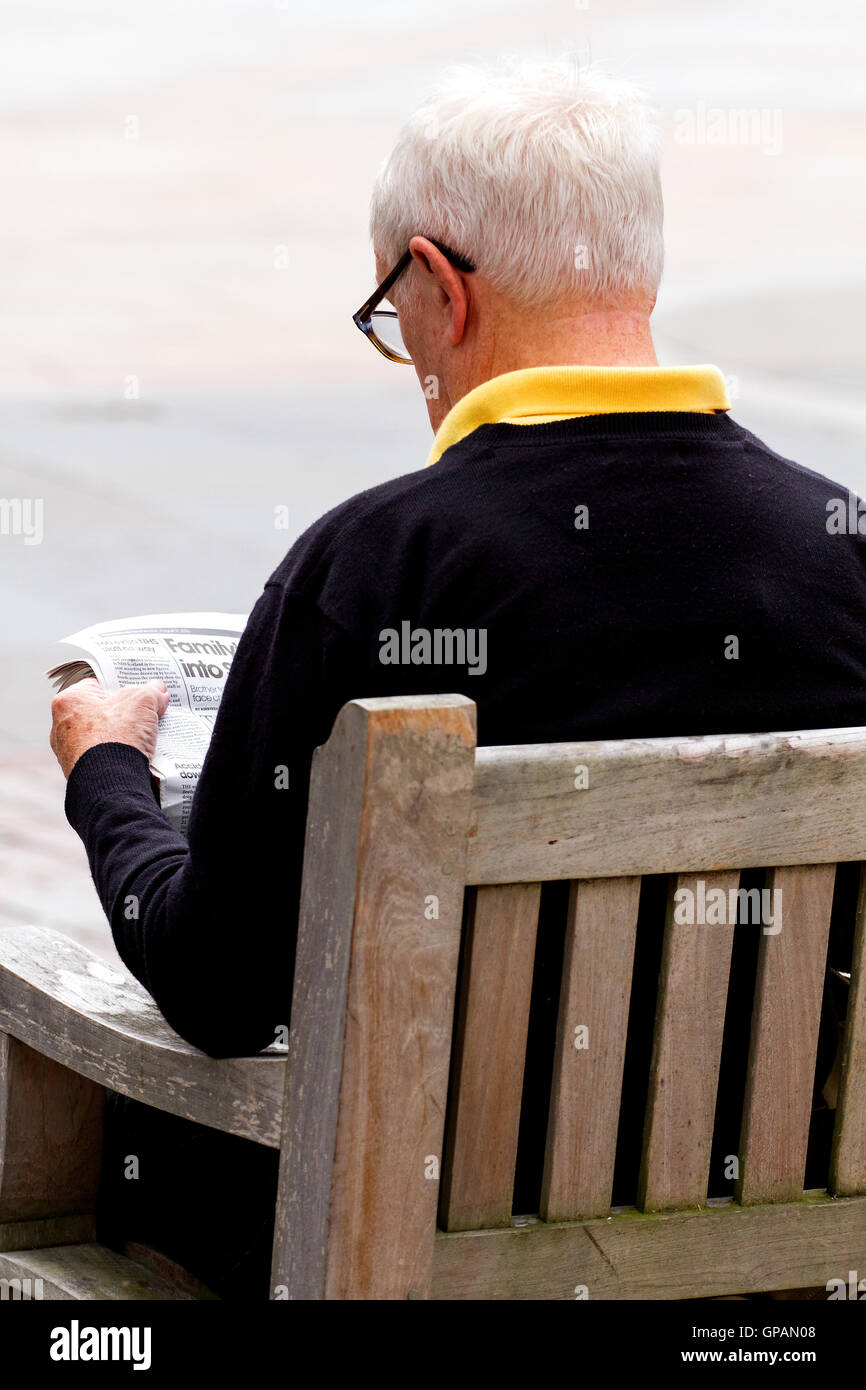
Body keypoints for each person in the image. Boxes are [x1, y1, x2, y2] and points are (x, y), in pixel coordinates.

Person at [50, 57, 866, 1298]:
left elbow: (214, 989)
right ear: (637, 268)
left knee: (95, 1164)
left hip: (412, 1252)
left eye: (393, 315)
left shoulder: (373, 568)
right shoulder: (841, 546)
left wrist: (107, 773)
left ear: (435, 282)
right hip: (772, 1264)